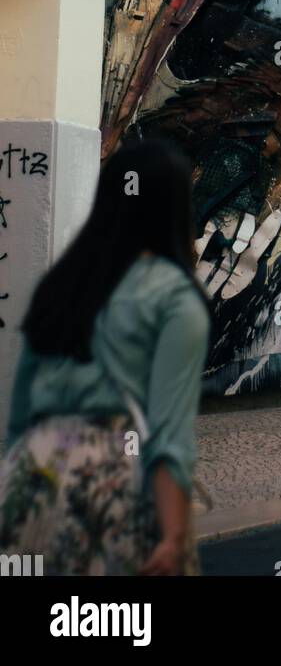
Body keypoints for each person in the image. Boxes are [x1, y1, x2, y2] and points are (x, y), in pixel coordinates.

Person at [0, 139, 210, 575]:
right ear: (176, 210)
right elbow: (169, 437)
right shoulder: (175, 299)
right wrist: (173, 538)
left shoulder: (62, 283)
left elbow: (20, 414)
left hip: (32, 478)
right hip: (113, 483)